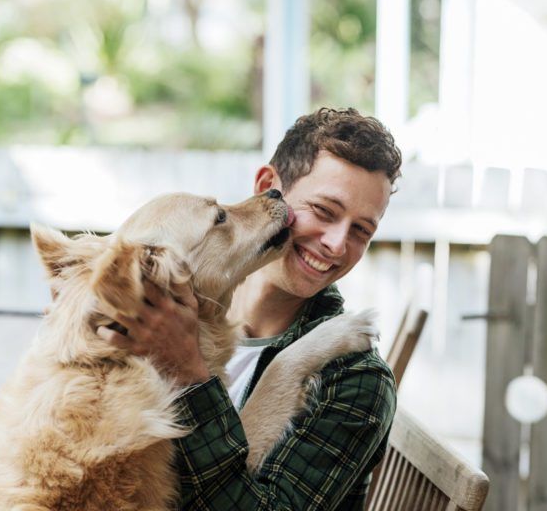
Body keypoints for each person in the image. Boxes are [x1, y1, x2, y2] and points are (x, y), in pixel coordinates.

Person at [97, 107, 401, 510]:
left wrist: (188, 371)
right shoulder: (159, 316)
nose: (337, 244)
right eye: (324, 211)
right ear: (268, 188)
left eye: (361, 230)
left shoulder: (354, 379)